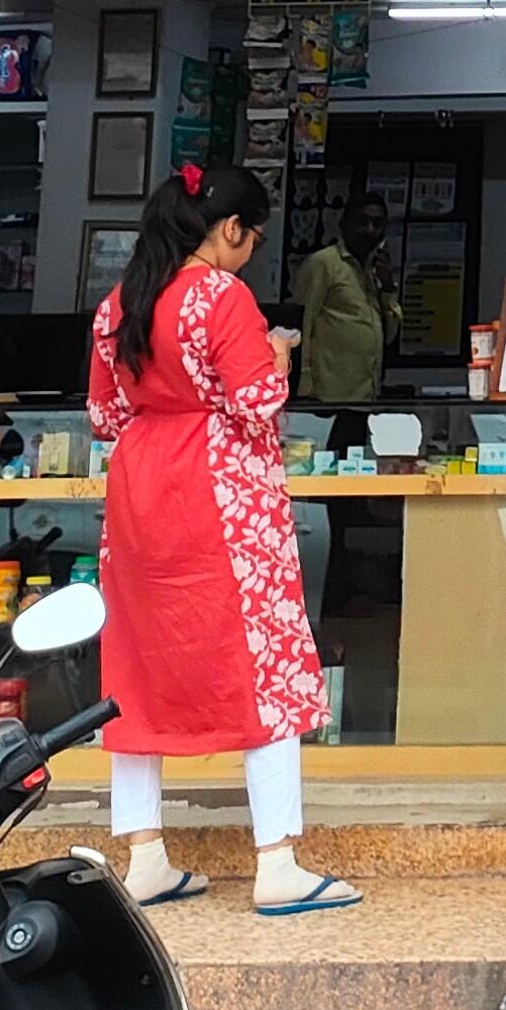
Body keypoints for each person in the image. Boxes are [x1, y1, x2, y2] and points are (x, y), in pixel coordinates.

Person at [87, 161, 359, 917]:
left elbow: (106, 418)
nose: (251, 250)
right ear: (229, 229)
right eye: (253, 236)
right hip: (221, 495)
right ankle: (277, 861)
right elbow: (256, 403)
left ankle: (143, 854)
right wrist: (277, 354)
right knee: (261, 659)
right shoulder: (221, 296)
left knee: (135, 667)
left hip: (141, 493)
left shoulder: (118, 303)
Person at [295, 196, 402, 413]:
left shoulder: (375, 271)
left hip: (367, 398)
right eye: (362, 222)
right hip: (326, 399)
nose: (369, 230)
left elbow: (388, 336)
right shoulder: (324, 263)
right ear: (344, 225)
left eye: (377, 224)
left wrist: (389, 288)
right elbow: (302, 326)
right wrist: (304, 389)